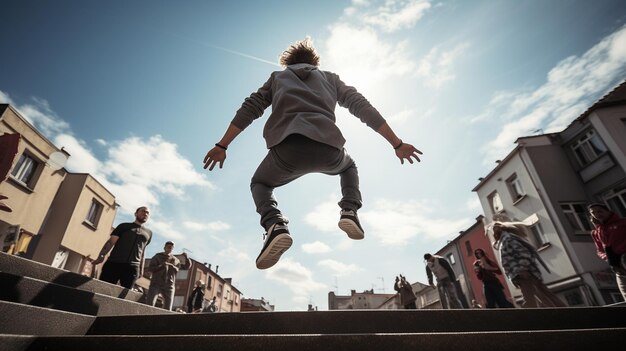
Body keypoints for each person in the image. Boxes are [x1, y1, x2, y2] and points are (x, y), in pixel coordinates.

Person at [202, 38, 422, 270]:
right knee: (349, 167)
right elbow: (362, 107)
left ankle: (274, 225)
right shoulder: (331, 78)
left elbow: (250, 108)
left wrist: (223, 145)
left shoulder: (278, 78)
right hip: (329, 149)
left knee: (261, 183)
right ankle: (349, 209)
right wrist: (396, 144)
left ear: (288, 63)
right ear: (315, 62)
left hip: (287, 150)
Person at [491, 221, 565, 308]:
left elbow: (522, 253)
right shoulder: (505, 240)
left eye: (495, 229)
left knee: (533, 300)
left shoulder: (508, 239)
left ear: (500, 229)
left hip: (523, 275)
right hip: (521, 275)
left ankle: (563, 315)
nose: (494, 232)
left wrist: (522, 270)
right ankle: (565, 314)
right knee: (543, 297)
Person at [92, 206, 152, 289]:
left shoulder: (149, 233)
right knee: (102, 289)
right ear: (136, 213)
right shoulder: (124, 226)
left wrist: (141, 269)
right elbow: (110, 242)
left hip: (132, 268)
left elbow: (143, 251)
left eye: (147, 213)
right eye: (143, 211)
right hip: (114, 263)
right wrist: (101, 255)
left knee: (124, 297)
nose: (145, 213)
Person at [588, 203, 626, 299]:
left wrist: (620, 253)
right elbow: (600, 250)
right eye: (593, 212)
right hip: (618, 268)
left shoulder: (623, 223)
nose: (597, 214)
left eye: (600, 211)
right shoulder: (596, 232)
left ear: (608, 211)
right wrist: (607, 258)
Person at [145, 241, 190, 311]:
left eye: (171, 248)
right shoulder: (157, 257)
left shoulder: (175, 260)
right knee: (149, 304)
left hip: (169, 285)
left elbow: (186, 267)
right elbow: (151, 268)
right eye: (168, 247)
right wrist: (162, 265)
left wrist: (186, 258)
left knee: (168, 308)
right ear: (164, 248)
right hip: (156, 283)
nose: (170, 249)